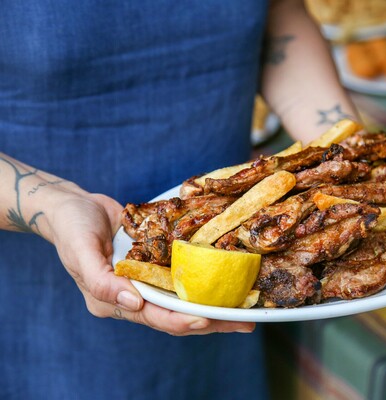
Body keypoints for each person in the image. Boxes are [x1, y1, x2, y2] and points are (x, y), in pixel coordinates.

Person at [0, 1, 359, 399]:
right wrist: (49, 205)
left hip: (237, 268)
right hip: (47, 278)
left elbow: (278, 19)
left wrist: (351, 157)